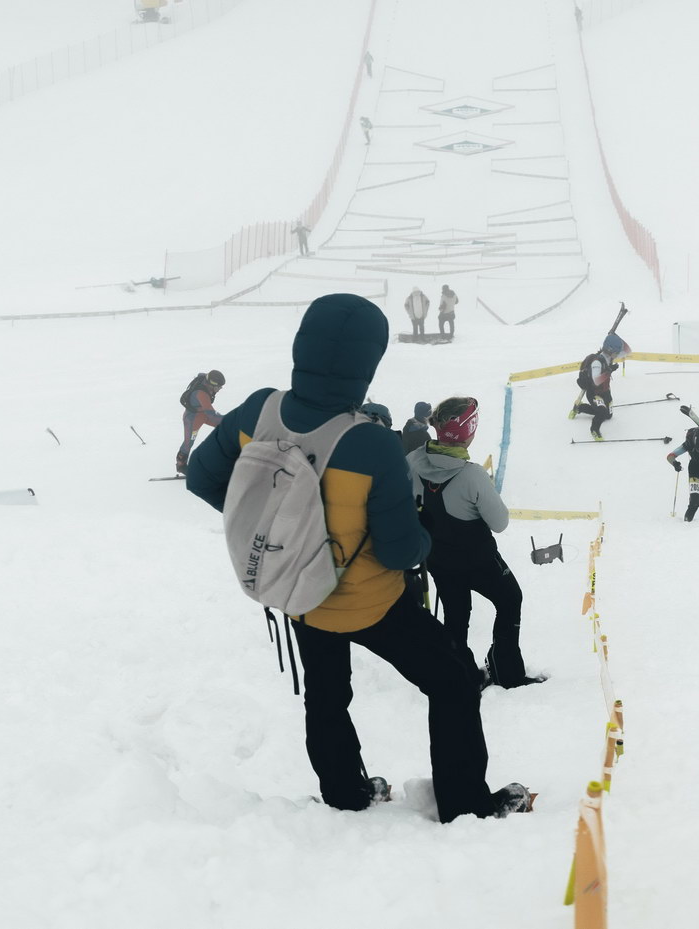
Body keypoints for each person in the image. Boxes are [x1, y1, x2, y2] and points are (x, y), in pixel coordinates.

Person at [184, 294, 532, 821]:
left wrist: (272, 527)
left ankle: (346, 793)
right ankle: (464, 804)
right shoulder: (372, 443)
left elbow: (202, 476)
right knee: (456, 678)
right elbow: (399, 549)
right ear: (367, 362)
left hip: (297, 591)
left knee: (325, 694)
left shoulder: (259, 409)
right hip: (368, 604)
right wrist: (426, 540)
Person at [409, 397, 543, 689]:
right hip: (478, 561)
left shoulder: (413, 461)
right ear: (467, 432)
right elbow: (500, 522)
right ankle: (506, 671)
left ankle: (460, 675)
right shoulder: (472, 475)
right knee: (510, 600)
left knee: (456, 616)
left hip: (439, 559)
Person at [568, 332, 628, 441]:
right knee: (602, 412)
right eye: (616, 352)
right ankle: (594, 429)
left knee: (608, 415)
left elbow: (627, 351)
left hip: (605, 391)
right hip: (594, 393)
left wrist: (614, 336)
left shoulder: (609, 358)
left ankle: (580, 408)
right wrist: (609, 371)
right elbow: (596, 381)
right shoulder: (597, 363)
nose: (617, 355)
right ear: (610, 350)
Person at [176, 370, 226, 473]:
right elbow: (213, 416)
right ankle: (181, 465)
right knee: (188, 443)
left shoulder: (206, 380)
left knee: (224, 426)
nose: (219, 390)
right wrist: (231, 419)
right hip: (192, 420)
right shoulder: (202, 394)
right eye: (218, 388)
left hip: (203, 413)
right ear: (211, 385)